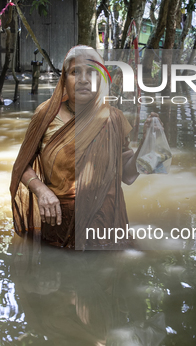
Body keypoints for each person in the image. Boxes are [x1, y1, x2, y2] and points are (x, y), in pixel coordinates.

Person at [10, 45, 158, 249]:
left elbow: (128, 175)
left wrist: (145, 145)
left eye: (92, 72)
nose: (83, 79)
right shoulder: (46, 115)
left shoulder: (114, 119)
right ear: (64, 79)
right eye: (75, 72)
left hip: (105, 228)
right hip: (58, 225)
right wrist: (41, 190)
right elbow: (21, 166)